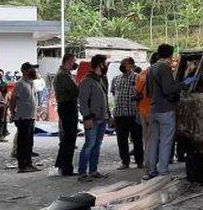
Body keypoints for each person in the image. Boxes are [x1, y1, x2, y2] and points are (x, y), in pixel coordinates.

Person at [144, 44, 185, 180]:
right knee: (166, 141)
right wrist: (184, 84)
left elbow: (149, 91)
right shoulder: (164, 67)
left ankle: (151, 169)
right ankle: (163, 170)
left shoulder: (151, 69)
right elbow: (168, 89)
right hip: (166, 109)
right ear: (170, 55)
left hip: (154, 108)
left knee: (154, 140)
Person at [77, 54, 111, 182]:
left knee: (97, 145)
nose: (107, 66)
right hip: (92, 118)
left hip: (102, 118)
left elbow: (105, 100)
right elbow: (83, 102)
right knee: (89, 145)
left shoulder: (100, 80)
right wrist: (86, 118)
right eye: (105, 63)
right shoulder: (87, 81)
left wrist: (108, 115)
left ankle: (93, 171)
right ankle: (82, 173)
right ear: (99, 64)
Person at [111, 57, 144, 169]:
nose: (121, 65)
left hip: (133, 114)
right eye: (121, 63)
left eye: (124, 63)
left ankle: (140, 161)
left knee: (137, 139)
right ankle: (125, 162)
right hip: (119, 114)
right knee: (121, 140)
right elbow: (113, 93)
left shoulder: (137, 78)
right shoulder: (116, 79)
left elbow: (142, 94)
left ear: (131, 65)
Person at [9, 62, 40, 173]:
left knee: (29, 142)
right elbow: (13, 99)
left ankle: (29, 164)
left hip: (31, 117)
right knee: (23, 143)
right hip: (23, 117)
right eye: (32, 69)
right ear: (25, 71)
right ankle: (22, 166)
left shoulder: (31, 83)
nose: (35, 72)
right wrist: (12, 113)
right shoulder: (20, 84)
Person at [53, 53, 80, 176]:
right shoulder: (63, 75)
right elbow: (75, 90)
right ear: (68, 61)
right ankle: (66, 168)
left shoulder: (66, 74)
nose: (75, 64)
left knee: (67, 138)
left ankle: (61, 164)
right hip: (67, 106)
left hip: (67, 105)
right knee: (69, 138)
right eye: (73, 61)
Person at [135, 53, 158, 168]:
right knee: (154, 139)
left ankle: (147, 162)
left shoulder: (141, 74)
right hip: (153, 109)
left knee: (146, 138)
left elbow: (137, 90)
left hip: (142, 109)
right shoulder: (157, 73)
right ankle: (151, 164)